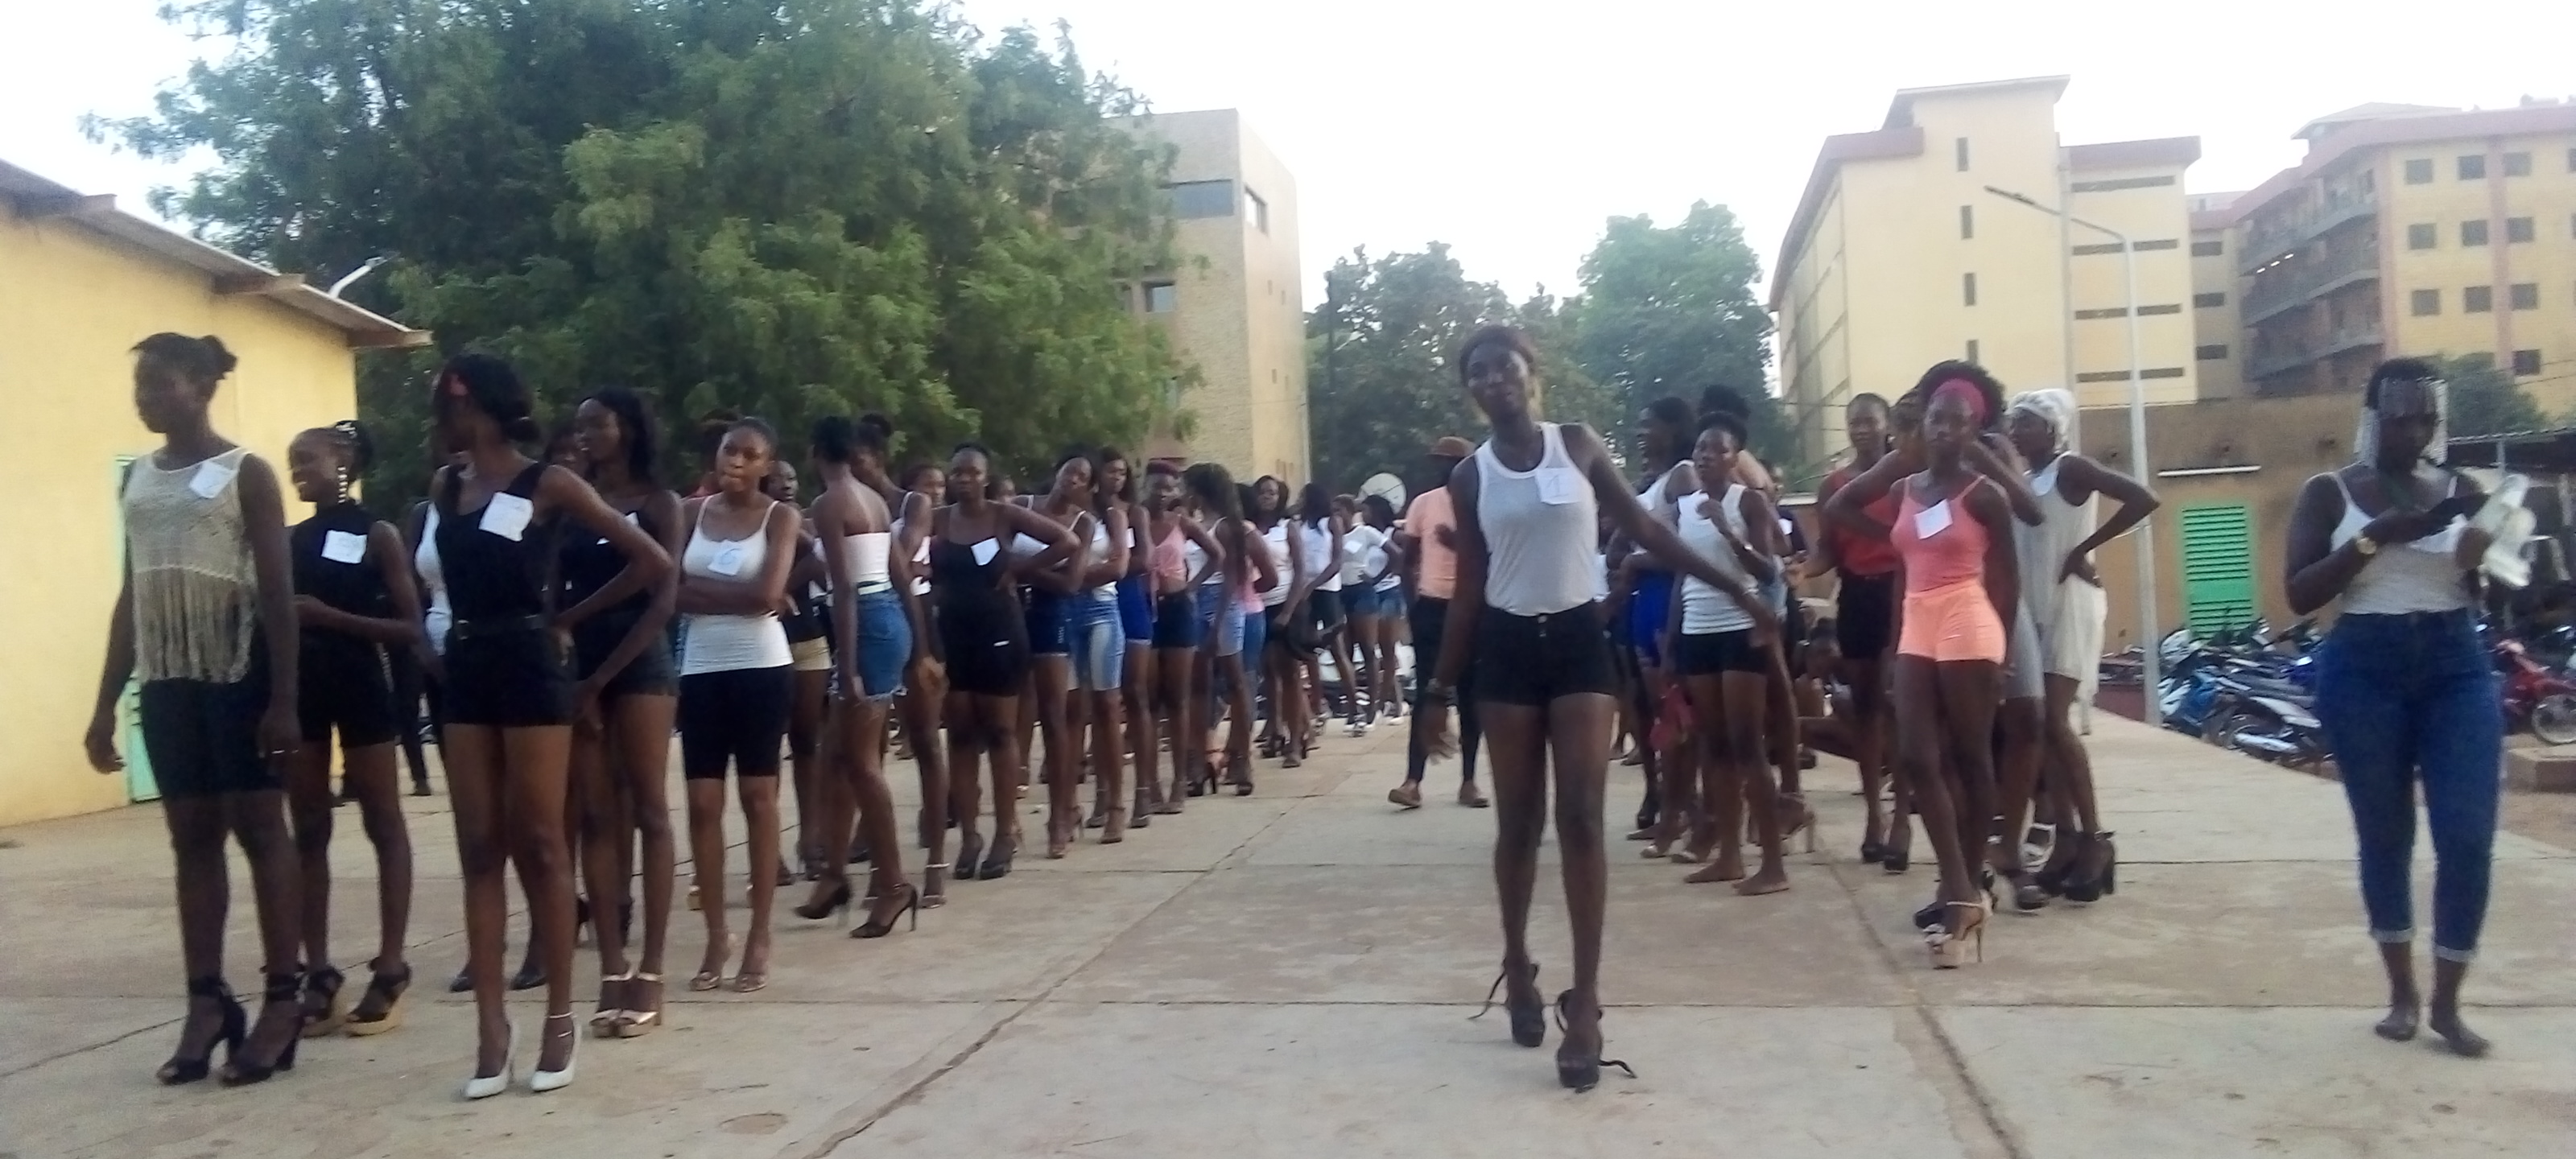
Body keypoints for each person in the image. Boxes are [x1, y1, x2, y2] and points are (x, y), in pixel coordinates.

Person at [1420, 324, 1767, 1091]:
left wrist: (1735, 587)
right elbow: (1470, 586)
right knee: (1519, 825)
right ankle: (1517, 963)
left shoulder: (1575, 445)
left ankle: (1586, 1004)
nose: (1492, 379)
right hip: (1508, 649)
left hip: (1579, 641)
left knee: (1580, 815)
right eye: (1478, 372)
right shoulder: (1471, 477)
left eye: (1504, 365)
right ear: (1470, 389)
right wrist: (1437, 690)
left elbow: (1641, 528)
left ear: (1531, 372)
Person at [431, 353, 669, 1097]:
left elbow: (652, 562)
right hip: (467, 664)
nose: (441, 422)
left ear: (482, 408)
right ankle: (491, 1029)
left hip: (531, 663)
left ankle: (559, 1017)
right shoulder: (446, 487)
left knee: (540, 840)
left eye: (449, 406)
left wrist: (568, 618)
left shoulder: (549, 482)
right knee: (479, 847)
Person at [86, 333, 306, 1085]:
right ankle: (206, 1002)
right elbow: (133, 592)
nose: (145, 397)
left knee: (261, 830)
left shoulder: (248, 472)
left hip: (238, 672)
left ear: (204, 388)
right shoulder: (139, 479)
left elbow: (277, 593)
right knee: (191, 839)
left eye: (161, 383)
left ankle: (284, 1000)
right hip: (169, 678)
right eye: (140, 385)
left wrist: (285, 700)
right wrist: (105, 701)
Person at [2285, 359, 2500, 1057]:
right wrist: (2377, 535)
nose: (2414, 431)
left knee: (2467, 836)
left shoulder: (2463, 489)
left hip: (2454, 663)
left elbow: (2493, 589)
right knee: (2386, 835)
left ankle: (2448, 1002)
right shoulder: (2330, 492)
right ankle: (2402, 994)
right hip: (2364, 666)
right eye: (2400, 418)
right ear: (2374, 418)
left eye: (2426, 419)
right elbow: (2300, 592)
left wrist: (2482, 554)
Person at [1823, 365, 2019, 968]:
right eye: (1936, 419)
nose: (1943, 430)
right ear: (1922, 425)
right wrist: (1888, 536)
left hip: (1968, 618)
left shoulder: (1985, 494)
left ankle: (1965, 891)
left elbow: (2007, 580)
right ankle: (1959, 885)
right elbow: (1843, 509)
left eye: (1957, 423)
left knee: (1970, 757)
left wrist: (2005, 652)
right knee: (1914, 756)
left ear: (1973, 432)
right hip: (1917, 621)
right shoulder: (1904, 488)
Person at [282, 422, 422, 1037]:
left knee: (382, 820)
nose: (296, 471)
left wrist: (329, 617)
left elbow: (410, 628)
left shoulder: (377, 534)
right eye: (291, 462)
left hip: (362, 684)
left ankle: (391, 966)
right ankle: (318, 972)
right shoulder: (290, 539)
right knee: (309, 826)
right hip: (303, 691)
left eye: (306, 459)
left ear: (343, 459)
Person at [556, 388, 682, 1039]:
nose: (584, 434)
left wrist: (601, 676)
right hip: (579, 668)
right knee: (596, 816)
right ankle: (611, 967)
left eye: (596, 424)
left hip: (639, 664)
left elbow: (662, 598)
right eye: (579, 425)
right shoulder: (573, 502)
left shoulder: (659, 503)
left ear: (627, 429)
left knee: (650, 810)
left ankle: (651, 971)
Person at [2002, 389, 2158, 906]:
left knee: (2053, 721)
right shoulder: (2021, 480)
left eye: (2026, 422)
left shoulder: (2071, 469)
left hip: (2070, 602)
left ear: (2053, 429)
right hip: (2033, 606)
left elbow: (2142, 498)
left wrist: (2085, 549)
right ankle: (2065, 838)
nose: (2016, 431)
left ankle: (2094, 838)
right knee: (2041, 726)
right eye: (2013, 422)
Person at [795, 415, 940, 937]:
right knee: (836, 754)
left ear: (815, 451)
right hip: (888, 620)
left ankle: (894, 884)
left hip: (866, 629)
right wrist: (919, 646)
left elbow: (845, 589)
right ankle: (835, 876)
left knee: (859, 763)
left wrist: (850, 666)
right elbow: (900, 575)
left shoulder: (828, 503)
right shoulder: (876, 501)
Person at [675, 419, 800, 996]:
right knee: (703, 803)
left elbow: (769, 596)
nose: (737, 461)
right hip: (701, 666)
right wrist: (742, 598)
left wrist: (704, 594)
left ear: (766, 466)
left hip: (761, 667)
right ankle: (715, 934)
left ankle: (759, 934)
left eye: (751, 455)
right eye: (730, 451)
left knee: (758, 797)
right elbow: (668, 589)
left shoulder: (780, 518)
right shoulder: (689, 514)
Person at [1666, 411, 1794, 894]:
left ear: (1734, 458)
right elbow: (1682, 573)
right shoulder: (1684, 507)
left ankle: (1773, 864)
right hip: (1698, 629)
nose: (1705, 457)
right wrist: (1671, 638)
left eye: (1716, 450)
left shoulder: (1749, 502)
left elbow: (1767, 571)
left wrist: (1727, 531)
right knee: (1714, 745)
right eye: (1700, 449)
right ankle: (1729, 856)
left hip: (1741, 628)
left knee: (1747, 745)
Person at [937, 445, 1076, 880]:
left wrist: (1022, 570)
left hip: (1000, 632)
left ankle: (1004, 832)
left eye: (972, 472)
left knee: (1000, 731)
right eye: (957, 472)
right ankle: (970, 835)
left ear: (986, 477)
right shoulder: (939, 520)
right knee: (960, 734)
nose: (964, 479)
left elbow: (1067, 541)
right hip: (953, 635)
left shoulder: (1004, 515)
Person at [1808, 394, 1901, 864]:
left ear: (1887, 425)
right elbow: (1828, 549)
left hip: (1900, 593)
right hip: (1857, 596)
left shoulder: (1906, 478)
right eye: (1853, 422)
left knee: (1896, 702)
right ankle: (1874, 814)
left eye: (1869, 421)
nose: (1861, 429)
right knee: (1865, 707)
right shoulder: (1834, 486)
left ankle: (1902, 814)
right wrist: (1803, 569)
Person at [868, 431, 956, 903]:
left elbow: (897, 559)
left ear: (877, 458)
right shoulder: (845, 504)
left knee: (924, 741)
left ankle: (936, 858)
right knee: (868, 750)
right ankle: (883, 868)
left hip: (915, 617)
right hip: (872, 622)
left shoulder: (912, 503)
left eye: (858, 460)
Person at [1614, 398, 1697, 853]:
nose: (1641, 432)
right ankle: (1674, 808)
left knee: (1673, 710)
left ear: (1674, 428)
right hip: (1643, 600)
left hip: (1666, 596)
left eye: (1650, 425)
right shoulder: (1653, 480)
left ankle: (1683, 814)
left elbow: (1690, 549)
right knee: (1654, 709)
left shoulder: (1683, 475)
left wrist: (1636, 560)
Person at [1389, 438, 1488, 809]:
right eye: (1440, 462)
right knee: (1427, 693)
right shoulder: (1425, 503)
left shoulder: (1483, 502)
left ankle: (1469, 781)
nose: (1444, 469)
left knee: (1470, 695)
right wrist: (1412, 602)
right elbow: (1408, 558)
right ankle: (1413, 781)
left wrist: (1457, 542)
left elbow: (1492, 552)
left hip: (1472, 604)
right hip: (1431, 606)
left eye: (1451, 462)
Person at [1053, 452, 1133, 843]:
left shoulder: (1111, 516)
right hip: (1062, 613)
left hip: (1101, 609)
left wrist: (1071, 575)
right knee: (1069, 712)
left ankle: (1115, 803)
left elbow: (1119, 567)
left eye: (1083, 476)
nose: (1075, 480)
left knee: (1106, 706)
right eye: (1069, 472)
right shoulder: (1054, 515)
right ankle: (1069, 807)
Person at [1183, 464, 1271, 792]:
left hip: (1223, 603)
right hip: (1196, 603)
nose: (1184, 493)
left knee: (1236, 683)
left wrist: (1216, 623)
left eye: (1188, 487)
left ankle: (1241, 759)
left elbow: (1233, 577)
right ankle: (1199, 759)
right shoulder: (1194, 523)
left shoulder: (1226, 527)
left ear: (1200, 491)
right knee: (1198, 687)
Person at [1146, 463, 1224, 807]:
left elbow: (1217, 555)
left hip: (1178, 609)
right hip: (1145, 610)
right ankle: (1150, 783)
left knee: (1178, 698)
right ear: (1144, 486)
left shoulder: (1182, 523)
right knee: (1149, 700)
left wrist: (1190, 587)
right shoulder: (1133, 520)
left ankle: (1180, 778)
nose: (1163, 493)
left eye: (1169, 488)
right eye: (1157, 486)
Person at [1100, 448, 1163, 822]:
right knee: (1100, 701)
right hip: (1095, 600)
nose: (1117, 478)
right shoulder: (1087, 512)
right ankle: (1105, 792)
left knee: (1136, 694)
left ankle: (1144, 787)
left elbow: (1145, 559)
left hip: (1129, 599)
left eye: (1122, 472)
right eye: (1110, 471)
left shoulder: (1134, 511)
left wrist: (1110, 566)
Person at [1245, 476, 1311, 767]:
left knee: (1290, 673)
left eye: (1272, 493)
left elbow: (1300, 571)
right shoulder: (1248, 528)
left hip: (1287, 603)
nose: (1267, 497)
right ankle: (1275, 731)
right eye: (1262, 492)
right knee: (1268, 673)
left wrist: (1288, 612)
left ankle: (1296, 741)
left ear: (1280, 497)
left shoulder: (1288, 528)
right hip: (1257, 604)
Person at [1340, 494, 1402, 735]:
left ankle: (1379, 706)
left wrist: (1376, 578)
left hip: (1378, 591)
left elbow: (1397, 554)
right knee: (1347, 649)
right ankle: (1358, 707)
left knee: (1378, 648)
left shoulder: (1369, 533)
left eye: (1339, 510)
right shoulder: (1337, 535)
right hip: (1346, 592)